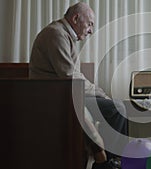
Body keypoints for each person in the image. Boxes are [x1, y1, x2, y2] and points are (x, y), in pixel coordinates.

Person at [29, 2, 127, 169]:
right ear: (75, 18)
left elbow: (74, 77)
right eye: (89, 24)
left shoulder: (63, 33)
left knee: (117, 107)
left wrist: (98, 92)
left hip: (64, 95)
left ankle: (109, 161)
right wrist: (99, 93)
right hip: (54, 100)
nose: (91, 30)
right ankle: (105, 164)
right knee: (116, 109)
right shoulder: (56, 34)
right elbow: (70, 77)